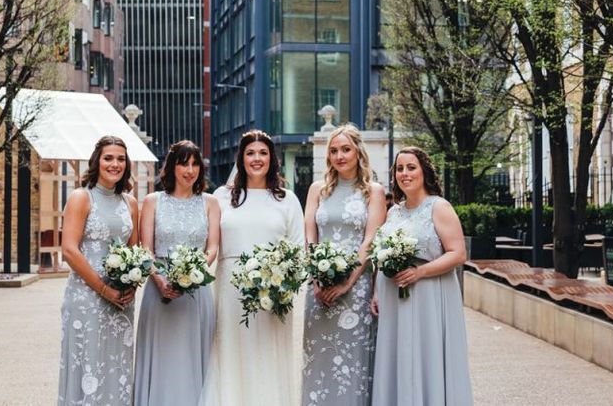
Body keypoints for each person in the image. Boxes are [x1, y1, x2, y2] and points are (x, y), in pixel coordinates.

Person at [198, 130, 305, 406]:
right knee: (230, 353)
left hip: (274, 293)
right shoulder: (222, 197)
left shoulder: (287, 199)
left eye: (263, 153)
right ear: (241, 158)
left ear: (272, 159)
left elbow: (298, 250)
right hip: (230, 288)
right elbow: (208, 242)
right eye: (250, 153)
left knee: (267, 354)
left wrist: (281, 284)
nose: (257, 159)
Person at [371, 146, 473, 406]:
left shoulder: (439, 207)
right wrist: (375, 291)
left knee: (426, 354)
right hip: (394, 296)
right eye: (400, 169)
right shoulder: (393, 212)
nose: (404, 174)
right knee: (399, 355)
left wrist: (419, 272)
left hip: (429, 294)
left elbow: (458, 253)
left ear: (424, 172)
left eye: (411, 167)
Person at [302, 124, 387, 405]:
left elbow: (370, 240)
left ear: (358, 152)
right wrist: (317, 279)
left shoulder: (373, 191)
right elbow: (310, 237)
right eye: (334, 151)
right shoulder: (318, 189)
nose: (340, 156)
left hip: (356, 289)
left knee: (354, 359)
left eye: (346, 149)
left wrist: (347, 282)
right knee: (320, 357)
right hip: (319, 290)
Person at [133, 140, 220, 406]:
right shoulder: (152, 201)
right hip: (159, 292)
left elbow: (212, 248)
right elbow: (145, 249)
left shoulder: (210, 203)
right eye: (183, 163)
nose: (189, 170)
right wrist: (159, 279)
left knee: (192, 356)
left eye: (195, 164)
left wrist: (190, 274)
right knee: (163, 356)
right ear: (171, 167)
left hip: (196, 292)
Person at [58, 135, 139, 405]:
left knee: (117, 367)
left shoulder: (131, 203)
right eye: (108, 158)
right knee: (88, 366)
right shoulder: (82, 197)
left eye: (120, 159)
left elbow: (135, 251)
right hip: (87, 298)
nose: (114, 164)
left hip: (121, 301)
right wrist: (104, 289)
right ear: (97, 162)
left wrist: (131, 285)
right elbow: (69, 249)